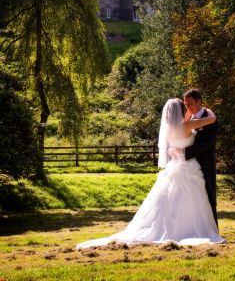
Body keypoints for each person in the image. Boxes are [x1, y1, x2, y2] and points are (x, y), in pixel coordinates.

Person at [76, 98, 224, 249]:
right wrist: (208, 110)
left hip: (174, 166)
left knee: (169, 200)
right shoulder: (187, 125)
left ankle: (168, 229)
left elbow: (173, 144)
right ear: (181, 111)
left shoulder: (169, 129)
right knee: (191, 199)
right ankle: (191, 228)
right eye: (184, 107)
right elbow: (211, 119)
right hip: (188, 167)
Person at [169, 89, 219, 226]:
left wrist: (182, 151)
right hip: (188, 164)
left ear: (199, 101)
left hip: (204, 163)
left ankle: (212, 228)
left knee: (208, 196)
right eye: (185, 104)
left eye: (190, 103)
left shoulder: (209, 119)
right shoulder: (188, 118)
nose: (187, 107)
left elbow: (206, 144)